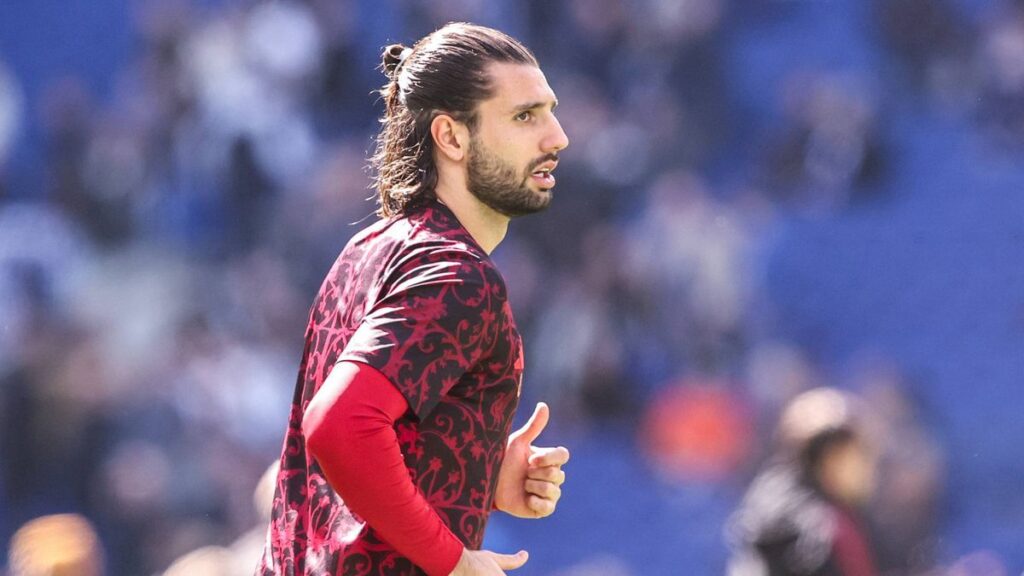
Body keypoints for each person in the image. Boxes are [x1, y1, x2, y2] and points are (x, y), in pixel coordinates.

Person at [257, 22, 571, 576]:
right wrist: (453, 562)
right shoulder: (456, 273)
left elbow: (359, 456)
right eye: (525, 116)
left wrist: (477, 471)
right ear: (451, 137)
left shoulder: (370, 247)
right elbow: (339, 425)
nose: (557, 137)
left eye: (549, 111)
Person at [726, 388, 879, 576]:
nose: (869, 468)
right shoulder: (822, 528)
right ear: (832, 458)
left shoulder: (769, 502)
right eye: (861, 454)